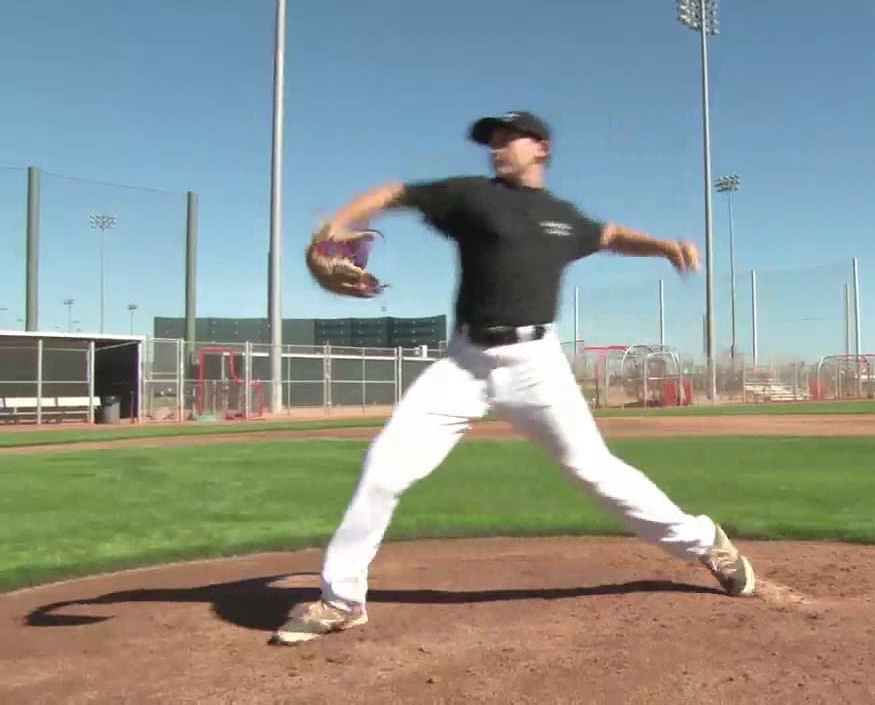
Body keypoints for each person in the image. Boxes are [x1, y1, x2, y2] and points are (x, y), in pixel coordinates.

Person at [270, 111, 756, 646]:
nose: (497, 148)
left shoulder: (562, 218)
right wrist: (337, 225)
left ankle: (705, 542)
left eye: (508, 138)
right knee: (384, 465)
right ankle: (341, 600)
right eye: (492, 141)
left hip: (535, 365)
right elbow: (394, 193)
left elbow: (612, 235)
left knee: (595, 471)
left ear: (541, 147)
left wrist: (663, 246)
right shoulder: (472, 197)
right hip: (464, 364)